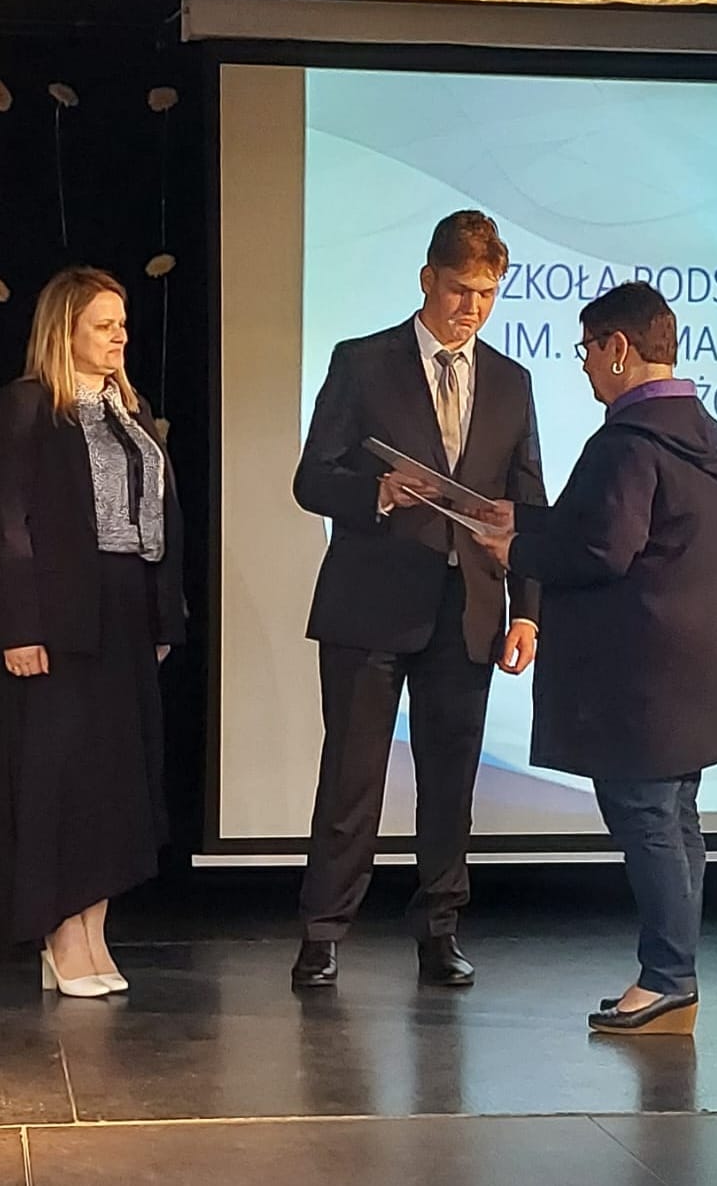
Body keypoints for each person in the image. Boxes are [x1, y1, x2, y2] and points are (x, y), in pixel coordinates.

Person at [474, 282, 717, 1035]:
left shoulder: (628, 441)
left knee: (648, 821)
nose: (587, 367)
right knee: (675, 819)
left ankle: (667, 978)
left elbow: (604, 550)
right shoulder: (703, 436)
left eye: (588, 351)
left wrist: (515, 549)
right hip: (692, 666)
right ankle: (675, 975)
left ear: (619, 348)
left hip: (638, 674)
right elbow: (621, 526)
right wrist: (525, 517)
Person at [290, 210, 547, 989]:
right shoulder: (363, 362)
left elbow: (527, 504)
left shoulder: (511, 381)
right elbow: (311, 478)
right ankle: (323, 932)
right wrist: (376, 491)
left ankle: (439, 930)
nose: (472, 307)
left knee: (450, 781)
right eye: (461, 289)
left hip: (468, 609)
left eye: (488, 293)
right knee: (352, 778)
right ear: (428, 279)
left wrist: (529, 612)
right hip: (370, 603)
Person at [0, 266, 185, 999]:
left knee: (116, 781)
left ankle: (93, 931)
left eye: (122, 324)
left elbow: (161, 518)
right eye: (103, 325)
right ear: (65, 330)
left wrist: (163, 617)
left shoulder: (130, 409)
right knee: (63, 778)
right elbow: (8, 522)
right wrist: (19, 626)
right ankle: (58, 935)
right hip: (59, 616)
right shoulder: (29, 405)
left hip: (125, 611)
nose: (120, 337)